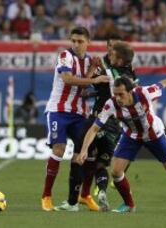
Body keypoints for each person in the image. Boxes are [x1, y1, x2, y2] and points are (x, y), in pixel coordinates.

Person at [77, 75, 166, 214]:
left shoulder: (144, 93)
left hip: (154, 134)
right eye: (115, 94)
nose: (118, 98)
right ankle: (129, 205)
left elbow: (163, 83)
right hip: (131, 136)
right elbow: (95, 128)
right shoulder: (111, 104)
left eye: (121, 94)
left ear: (130, 91)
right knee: (116, 172)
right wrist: (84, 150)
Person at [41, 26, 109, 212]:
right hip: (58, 111)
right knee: (59, 149)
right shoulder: (65, 56)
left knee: (88, 152)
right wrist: (94, 79)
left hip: (79, 113)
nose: (76, 44)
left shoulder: (90, 61)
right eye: (74, 40)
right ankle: (47, 195)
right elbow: (68, 79)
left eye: (80, 41)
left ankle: (84, 195)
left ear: (88, 42)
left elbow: (85, 89)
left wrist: (96, 69)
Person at [79, 38, 137, 211]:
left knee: (85, 158)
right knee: (102, 162)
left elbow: (90, 82)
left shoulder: (110, 72)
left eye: (112, 51)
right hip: (118, 124)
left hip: (101, 117)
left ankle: (78, 197)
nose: (109, 53)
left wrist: (93, 70)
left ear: (119, 58)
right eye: (109, 49)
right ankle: (100, 191)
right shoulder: (131, 75)